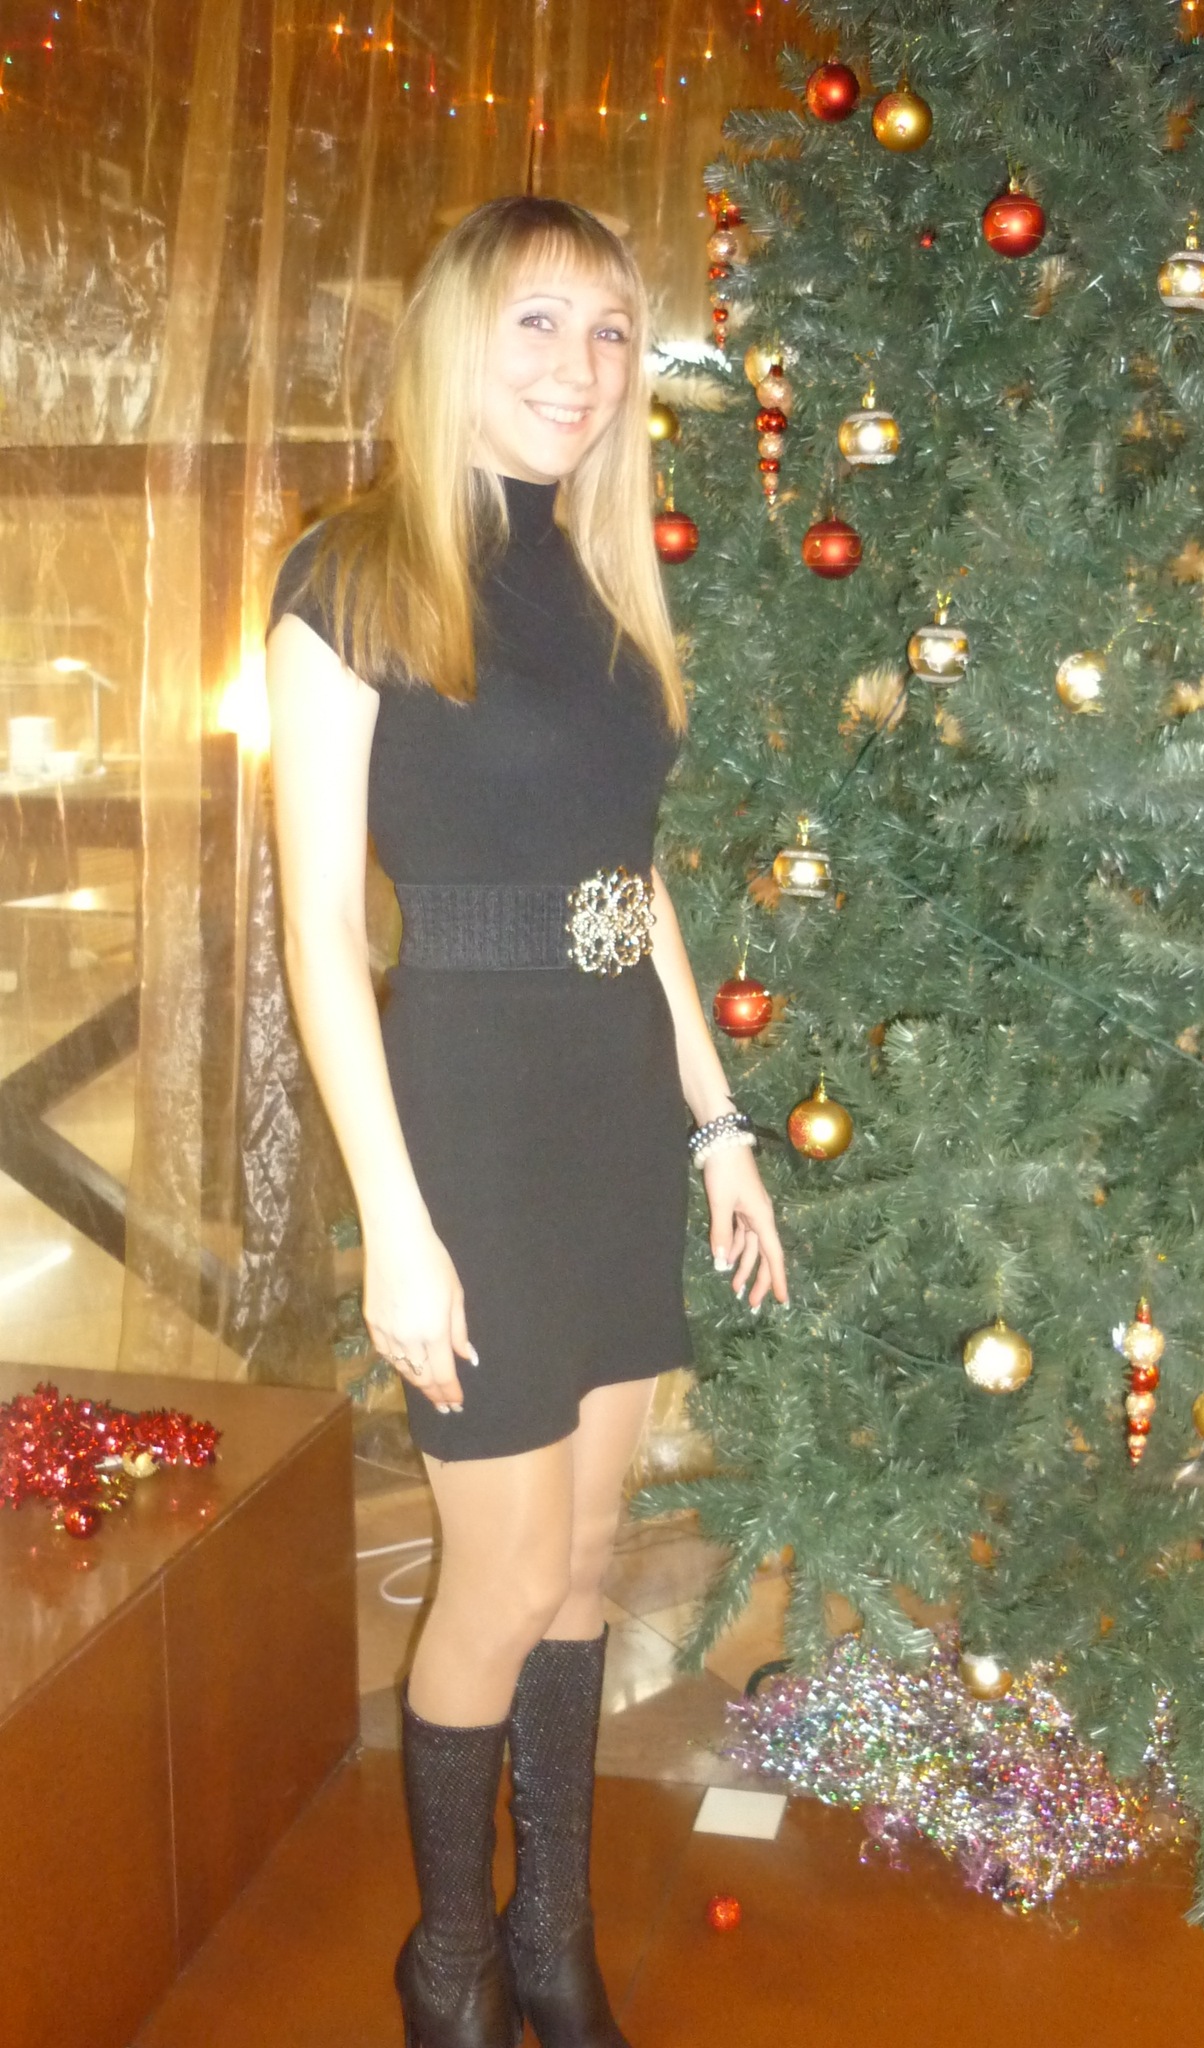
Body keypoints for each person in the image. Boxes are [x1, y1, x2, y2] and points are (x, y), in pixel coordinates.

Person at [266, 195, 787, 2048]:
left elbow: (633, 887)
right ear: (455, 341)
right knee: (492, 1583)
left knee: (583, 1558)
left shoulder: (609, 580)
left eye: (612, 331)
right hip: (471, 1115)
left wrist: (718, 1125)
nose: (583, 367)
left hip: (615, 1110)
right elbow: (322, 934)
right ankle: (449, 1966)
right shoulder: (353, 573)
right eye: (540, 325)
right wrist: (397, 1228)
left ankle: (551, 1936)